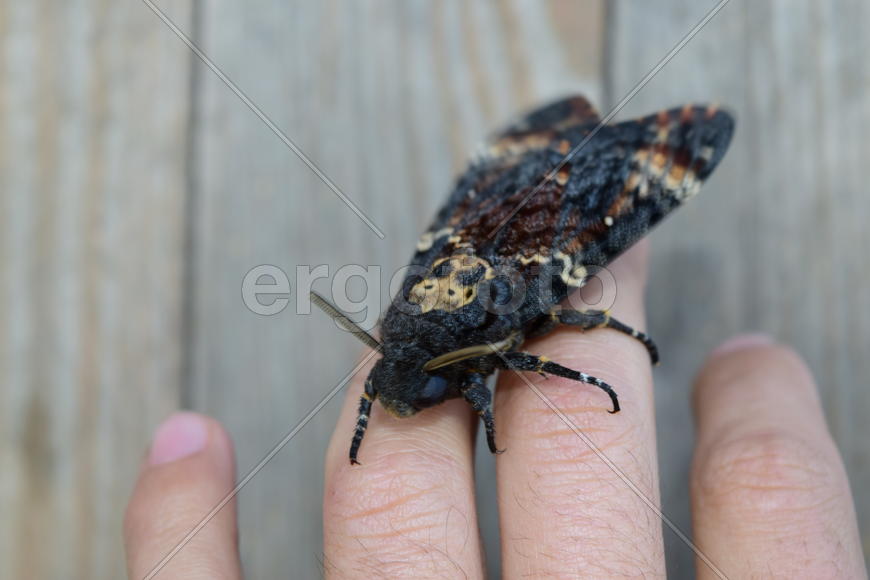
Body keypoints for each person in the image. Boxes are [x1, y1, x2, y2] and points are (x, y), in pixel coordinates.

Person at [123, 244, 866, 578]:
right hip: (462, 275)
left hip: (507, 273)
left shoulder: (485, 347)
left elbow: (515, 356)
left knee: (531, 338)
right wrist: (367, 419)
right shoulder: (404, 355)